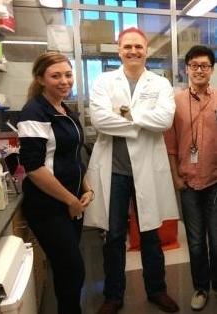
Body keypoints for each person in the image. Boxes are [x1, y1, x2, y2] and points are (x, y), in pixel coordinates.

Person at [84, 27, 180, 314]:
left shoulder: (160, 83)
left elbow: (164, 120)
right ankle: (113, 296)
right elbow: (101, 121)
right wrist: (142, 123)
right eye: (128, 47)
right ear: (119, 50)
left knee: (151, 233)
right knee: (113, 235)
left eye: (139, 46)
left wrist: (125, 116)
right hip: (114, 170)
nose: (133, 51)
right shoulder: (104, 81)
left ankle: (157, 290)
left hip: (148, 170)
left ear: (146, 50)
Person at [17, 52, 94, 314]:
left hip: (71, 204)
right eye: (56, 75)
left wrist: (87, 189)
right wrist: (71, 200)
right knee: (73, 269)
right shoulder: (34, 112)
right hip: (49, 207)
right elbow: (35, 168)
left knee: (67, 272)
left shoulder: (65, 110)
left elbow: (74, 157)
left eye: (68, 74)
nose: (64, 81)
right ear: (40, 79)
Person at [164, 45, 217, 311]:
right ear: (186, 69)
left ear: (212, 70)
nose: (199, 70)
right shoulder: (174, 102)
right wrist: (175, 177)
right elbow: (170, 145)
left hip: (215, 182)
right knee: (195, 243)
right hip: (187, 184)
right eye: (194, 65)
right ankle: (200, 288)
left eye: (205, 65)